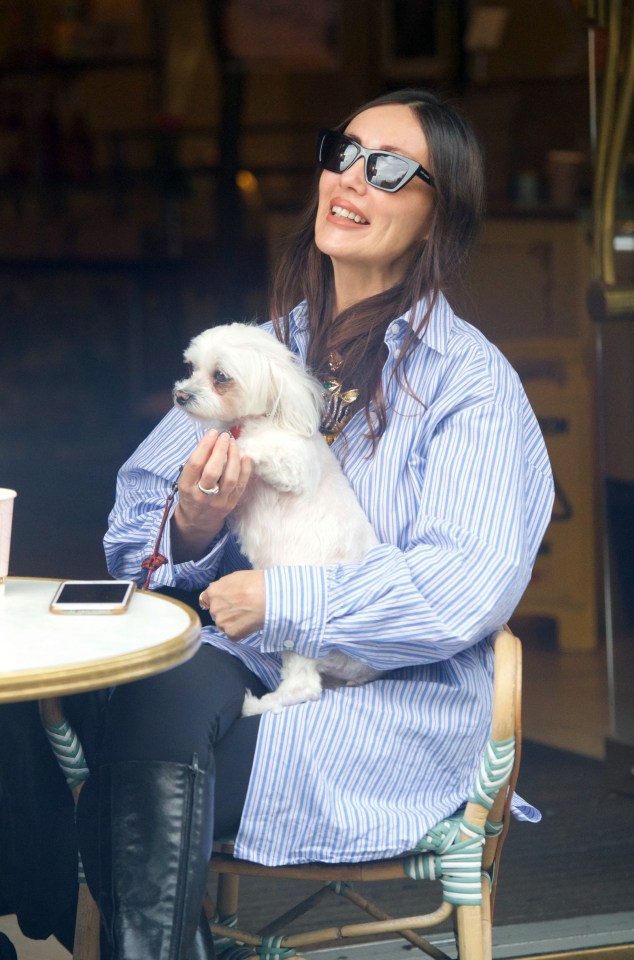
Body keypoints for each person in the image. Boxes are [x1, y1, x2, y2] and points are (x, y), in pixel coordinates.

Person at [74, 88, 554, 959]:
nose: (352, 179)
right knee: (132, 701)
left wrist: (283, 598)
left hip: (386, 707)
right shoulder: (252, 356)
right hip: (245, 671)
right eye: (344, 152)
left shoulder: (470, 386)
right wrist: (192, 524)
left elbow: (460, 589)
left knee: (122, 768)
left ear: (439, 214)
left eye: (391, 169)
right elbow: (131, 527)